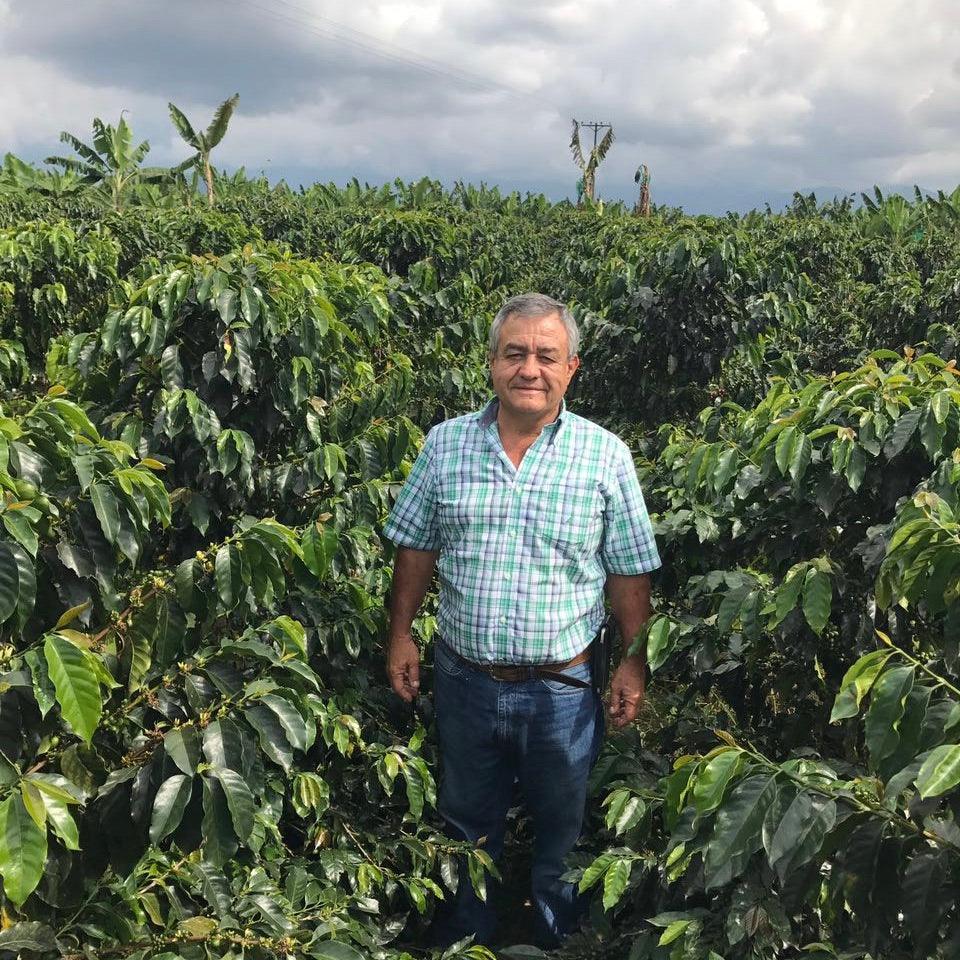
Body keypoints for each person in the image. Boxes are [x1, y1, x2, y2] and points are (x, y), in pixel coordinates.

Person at [382, 292, 660, 947]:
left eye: (545, 356)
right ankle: (468, 932)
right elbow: (416, 545)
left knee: (560, 823)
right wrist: (400, 633)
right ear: (491, 364)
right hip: (465, 680)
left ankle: (552, 933)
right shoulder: (446, 445)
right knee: (464, 818)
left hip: (560, 690)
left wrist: (633, 659)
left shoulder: (603, 456)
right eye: (515, 354)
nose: (528, 369)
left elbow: (628, 569)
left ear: (572, 368)